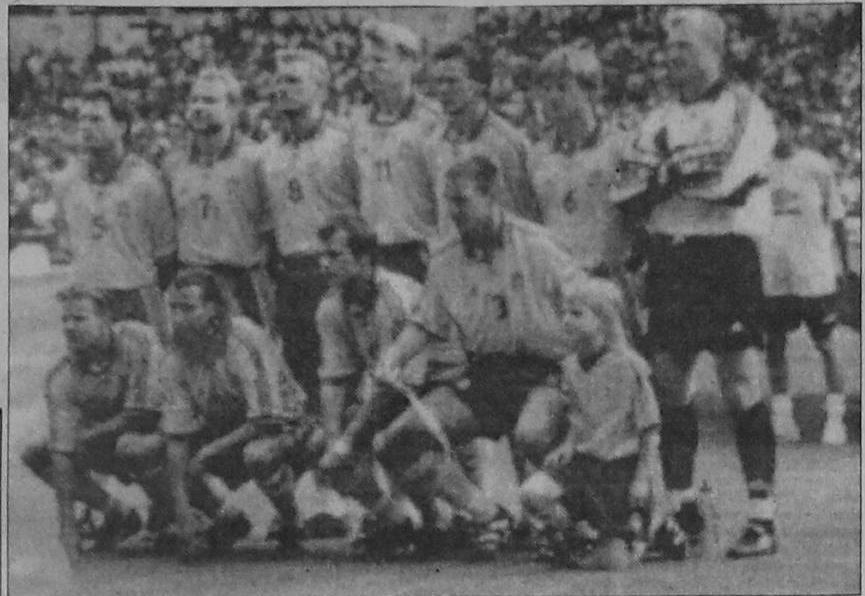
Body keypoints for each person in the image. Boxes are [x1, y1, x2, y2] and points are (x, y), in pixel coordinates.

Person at [613, 8, 779, 559]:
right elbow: (623, 187)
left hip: (725, 254)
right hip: (673, 258)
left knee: (741, 383)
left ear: (714, 49)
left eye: (682, 45)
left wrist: (660, 174)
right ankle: (683, 514)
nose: (670, 55)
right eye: (668, 45)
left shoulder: (745, 107)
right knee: (667, 384)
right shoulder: (656, 116)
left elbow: (726, 179)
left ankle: (762, 516)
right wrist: (676, 173)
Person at [367, 156, 593, 557]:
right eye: (448, 202)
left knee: (533, 435)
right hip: (485, 374)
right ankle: (487, 515)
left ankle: (576, 520)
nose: (453, 212)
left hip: (544, 373)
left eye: (462, 201)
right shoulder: (445, 257)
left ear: (492, 197)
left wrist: (590, 368)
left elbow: (589, 305)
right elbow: (426, 322)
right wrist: (393, 358)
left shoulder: (538, 246)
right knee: (398, 440)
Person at [159, 268, 310, 561]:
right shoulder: (175, 356)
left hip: (287, 430)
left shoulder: (244, 337)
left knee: (258, 454)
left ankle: (292, 520)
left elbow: (266, 420)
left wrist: (209, 452)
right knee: (161, 452)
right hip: (226, 434)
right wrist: (182, 513)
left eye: (188, 308)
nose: (177, 317)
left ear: (214, 308)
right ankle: (228, 517)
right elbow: (177, 435)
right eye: (173, 309)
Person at [20, 285, 168, 563]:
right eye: (65, 320)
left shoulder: (138, 340)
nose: (69, 327)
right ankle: (116, 512)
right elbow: (61, 454)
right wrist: (66, 525)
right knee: (38, 454)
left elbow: (144, 415)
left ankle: (186, 509)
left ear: (106, 318)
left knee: (133, 445)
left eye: (79, 319)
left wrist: (86, 437)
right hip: (115, 439)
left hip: (172, 433)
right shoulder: (62, 374)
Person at [522, 278, 662, 570]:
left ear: (603, 321)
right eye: (564, 312)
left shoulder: (628, 366)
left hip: (619, 467)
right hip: (584, 462)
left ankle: (640, 532)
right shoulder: (570, 367)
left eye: (576, 313)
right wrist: (567, 445)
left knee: (614, 561)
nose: (566, 320)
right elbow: (578, 416)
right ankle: (578, 534)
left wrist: (641, 479)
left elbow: (649, 429)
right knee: (533, 492)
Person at [258, 47, 361, 401]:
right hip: (290, 275)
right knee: (300, 369)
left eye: (293, 80)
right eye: (278, 81)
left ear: (320, 88)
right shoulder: (267, 152)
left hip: (334, 271)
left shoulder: (344, 142)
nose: (281, 89)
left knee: (343, 369)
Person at [531, 40, 642, 338]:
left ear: (591, 91)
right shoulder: (538, 156)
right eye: (545, 89)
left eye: (562, 87)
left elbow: (637, 219)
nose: (552, 97)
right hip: (557, 287)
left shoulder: (619, 147)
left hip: (607, 281)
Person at [52, 85, 175, 342]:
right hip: (87, 300)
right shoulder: (66, 182)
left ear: (121, 126)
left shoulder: (146, 182)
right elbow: (69, 242)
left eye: (96, 119)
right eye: (82, 119)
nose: (86, 127)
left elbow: (166, 256)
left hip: (135, 297)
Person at [761, 103, 852, 445]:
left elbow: (837, 217)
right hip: (775, 273)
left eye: (779, 124)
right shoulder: (759, 167)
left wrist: (844, 264)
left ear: (793, 126)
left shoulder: (816, 165)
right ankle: (782, 418)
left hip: (814, 272)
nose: (774, 133)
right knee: (774, 344)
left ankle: (835, 420)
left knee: (826, 344)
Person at [162, 67, 274, 330]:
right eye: (194, 100)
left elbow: (271, 228)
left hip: (241, 282)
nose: (199, 107)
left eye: (210, 100)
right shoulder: (173, 163)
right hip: (190, 279)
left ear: (233, 109)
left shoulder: (256, 159)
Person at [347, 19, 442, 280]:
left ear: (410, 63)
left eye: (379, 61)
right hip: (373, 255)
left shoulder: (433, 120)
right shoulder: (355, 122)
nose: (368, 69)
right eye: (364, 61)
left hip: (422, 254)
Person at [428, 41, 543, 234]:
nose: (443, 90)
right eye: (439, 82)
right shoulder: (434, 142)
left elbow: (526, 220)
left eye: (452, 81)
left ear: (478, 84)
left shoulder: (506, 143)